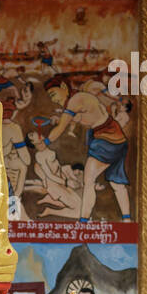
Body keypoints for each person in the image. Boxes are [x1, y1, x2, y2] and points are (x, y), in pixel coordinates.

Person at [45, 76, 131, 220]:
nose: (53, 99)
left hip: (106, 139)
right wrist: (62, 118)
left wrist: (44, 142)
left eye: (53, 94)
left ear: (64, 88)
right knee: (117, 184)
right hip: (118, 138)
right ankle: (127, 219)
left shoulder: (75, 100)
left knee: (89, 180)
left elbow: (60, 128)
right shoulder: (79, 100)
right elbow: (79, 118)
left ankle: (83, 221)